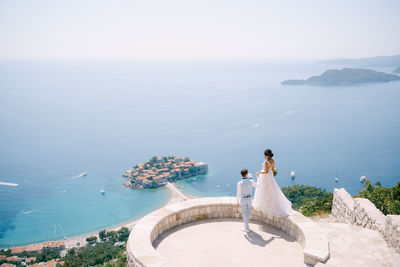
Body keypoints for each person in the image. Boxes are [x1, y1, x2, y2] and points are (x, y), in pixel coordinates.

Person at [253, 149, 294, 217]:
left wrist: (259, 172)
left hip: (265, 177)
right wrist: (271, 177)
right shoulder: (273, 160)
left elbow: (265, 172)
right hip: (270, 176)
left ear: (267, 155)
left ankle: (266, 205)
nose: (264, 156)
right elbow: (272, 169)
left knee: (264, 190)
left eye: (264, 155)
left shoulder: (266, 162)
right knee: (272, 189)